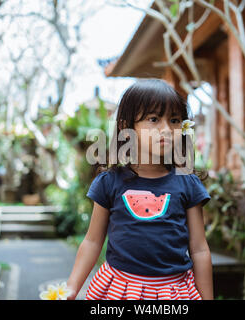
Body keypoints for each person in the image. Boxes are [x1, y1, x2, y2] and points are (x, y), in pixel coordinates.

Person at [66, 79, 213, 300]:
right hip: (118, 288)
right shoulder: (109, 182)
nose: (166, 129)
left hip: (173, 291)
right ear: (127, 127)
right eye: (153, 119)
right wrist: (71, 288)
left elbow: (200, 249)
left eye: (174, 120)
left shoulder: (188, 184)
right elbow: (92, 241)